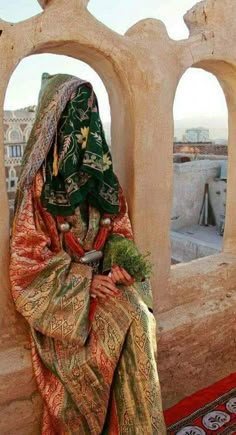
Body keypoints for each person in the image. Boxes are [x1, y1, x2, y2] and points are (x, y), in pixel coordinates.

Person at [10, 73, 166, 434]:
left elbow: (120, 230)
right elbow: (26, 264)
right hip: (67, 304)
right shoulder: (38, 187)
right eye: (77, 115)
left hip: (109, 286)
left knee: (140, 324)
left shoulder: (103, 179)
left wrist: (122, 266)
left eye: (90, 114)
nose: (85, 126)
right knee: (109, 346)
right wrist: (84, 283)